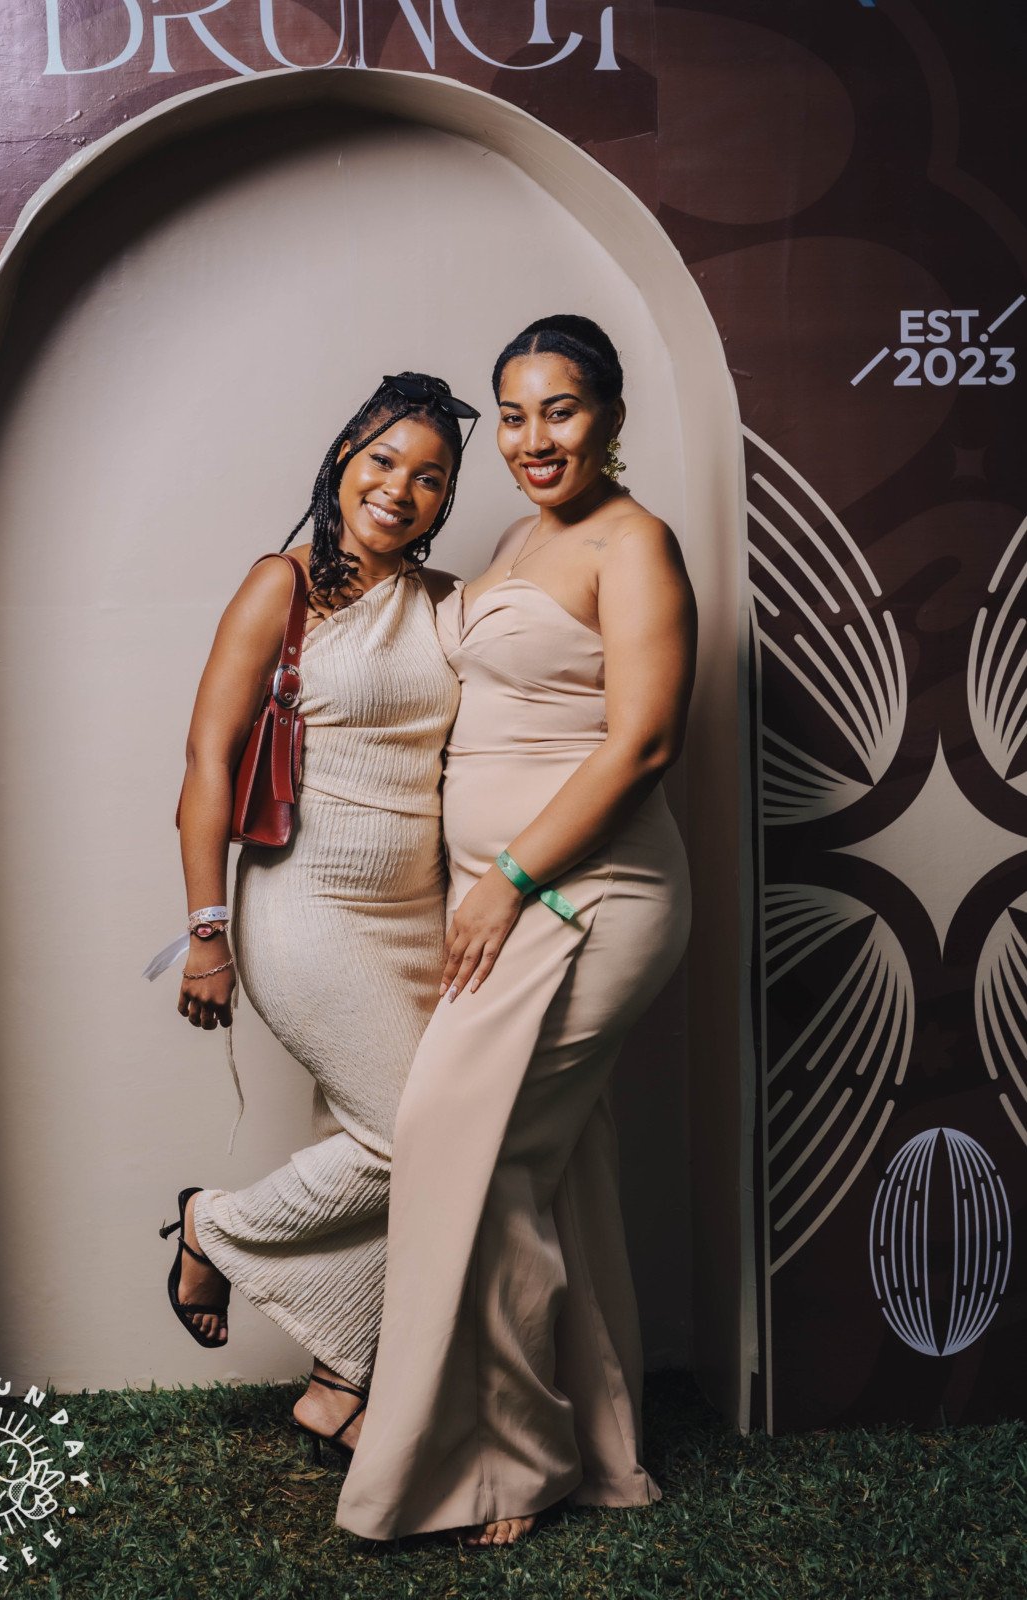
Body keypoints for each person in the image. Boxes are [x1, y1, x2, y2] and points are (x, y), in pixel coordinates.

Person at [338, 315, 695, 1545]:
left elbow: (644, 743)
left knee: (478, 1153)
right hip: (499, 893)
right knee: (555, 1170)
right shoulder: (514, 538)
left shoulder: (635, 543)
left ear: (610, 417)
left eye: (562, 409)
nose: (535, 438)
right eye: (514, 414)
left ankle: (516, 1458)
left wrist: (511, 878)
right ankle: (591, 1444)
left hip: (589, 893)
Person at [159, 372, 478, 1457]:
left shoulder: (444, 600)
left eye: (428, 477)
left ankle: (339, 1382)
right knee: (415, 1134)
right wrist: (206, 932)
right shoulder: (281, 584)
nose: (399, 488)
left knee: (399, 1139)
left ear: (444, 498)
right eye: (383, 459)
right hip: (306, 904)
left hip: (420, 914)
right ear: (344, 458)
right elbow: (207, 762)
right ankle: (212, 1225)